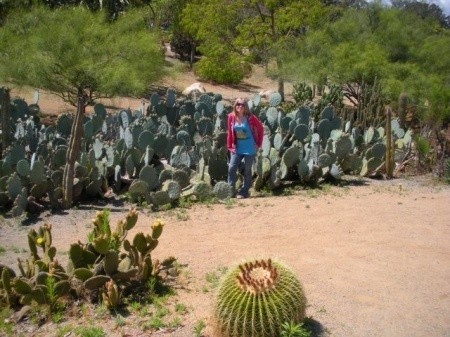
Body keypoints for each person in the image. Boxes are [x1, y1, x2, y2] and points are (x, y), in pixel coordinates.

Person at [226, 98, 264, 198]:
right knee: (231, 167)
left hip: (250, 147)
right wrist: (230, 144)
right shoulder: (231, 117)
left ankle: (244, 191)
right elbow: (230, 132)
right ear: (235, 105)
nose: (240, 106)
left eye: (242, 104)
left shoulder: (251, 118)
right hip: (237, 147)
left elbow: (260, 128)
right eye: (238, 104)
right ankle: (230, 190)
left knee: (247, 170)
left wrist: (258, 143)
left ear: (245, 106)